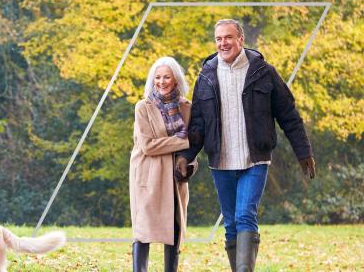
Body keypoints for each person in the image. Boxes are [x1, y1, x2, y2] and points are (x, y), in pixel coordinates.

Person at [176, 19, 316, 272]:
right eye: (218, 39)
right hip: (221, 161)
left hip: (255, 159)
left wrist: (303, 151)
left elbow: (288, 114)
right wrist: (186, 155)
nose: (223, 43)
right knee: (230, 223)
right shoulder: (206, 76)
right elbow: (197, 123)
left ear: (240, 39)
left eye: (228, 37)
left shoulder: (263, 71)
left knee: (244, 216)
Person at [129, 56, 197, 272]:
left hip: (175, 176)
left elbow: (193, 147)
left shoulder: (187, 107)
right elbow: (148, 145)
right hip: (148, 174)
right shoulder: (143, 107)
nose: (162, 81)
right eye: (157, 77)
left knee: (175, 226)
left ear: (175, 79)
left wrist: (190, 164)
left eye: (166, 77)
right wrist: (183, 140)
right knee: (143, 229)